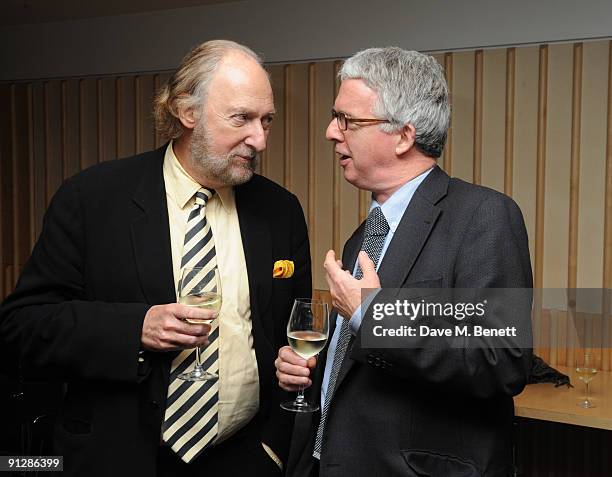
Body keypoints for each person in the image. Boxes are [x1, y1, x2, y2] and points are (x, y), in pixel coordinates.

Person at [0, 39, 311, 477]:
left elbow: (295, 333)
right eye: (241, 118)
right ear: (186, 112)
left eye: (267, 120)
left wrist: (272, 448)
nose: (259, 139)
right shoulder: (93, 199)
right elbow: (22, 326)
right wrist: (135, 329)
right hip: (119, 457)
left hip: (242, 458)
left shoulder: (281, 211)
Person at [275, 47, 533, 477]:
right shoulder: (366, 234)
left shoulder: (484, 216)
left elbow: (502, 360)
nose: (330, 132)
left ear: (403, 135)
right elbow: (365, 365)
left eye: (348, 121)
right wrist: (313, 370)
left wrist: (372, 316)